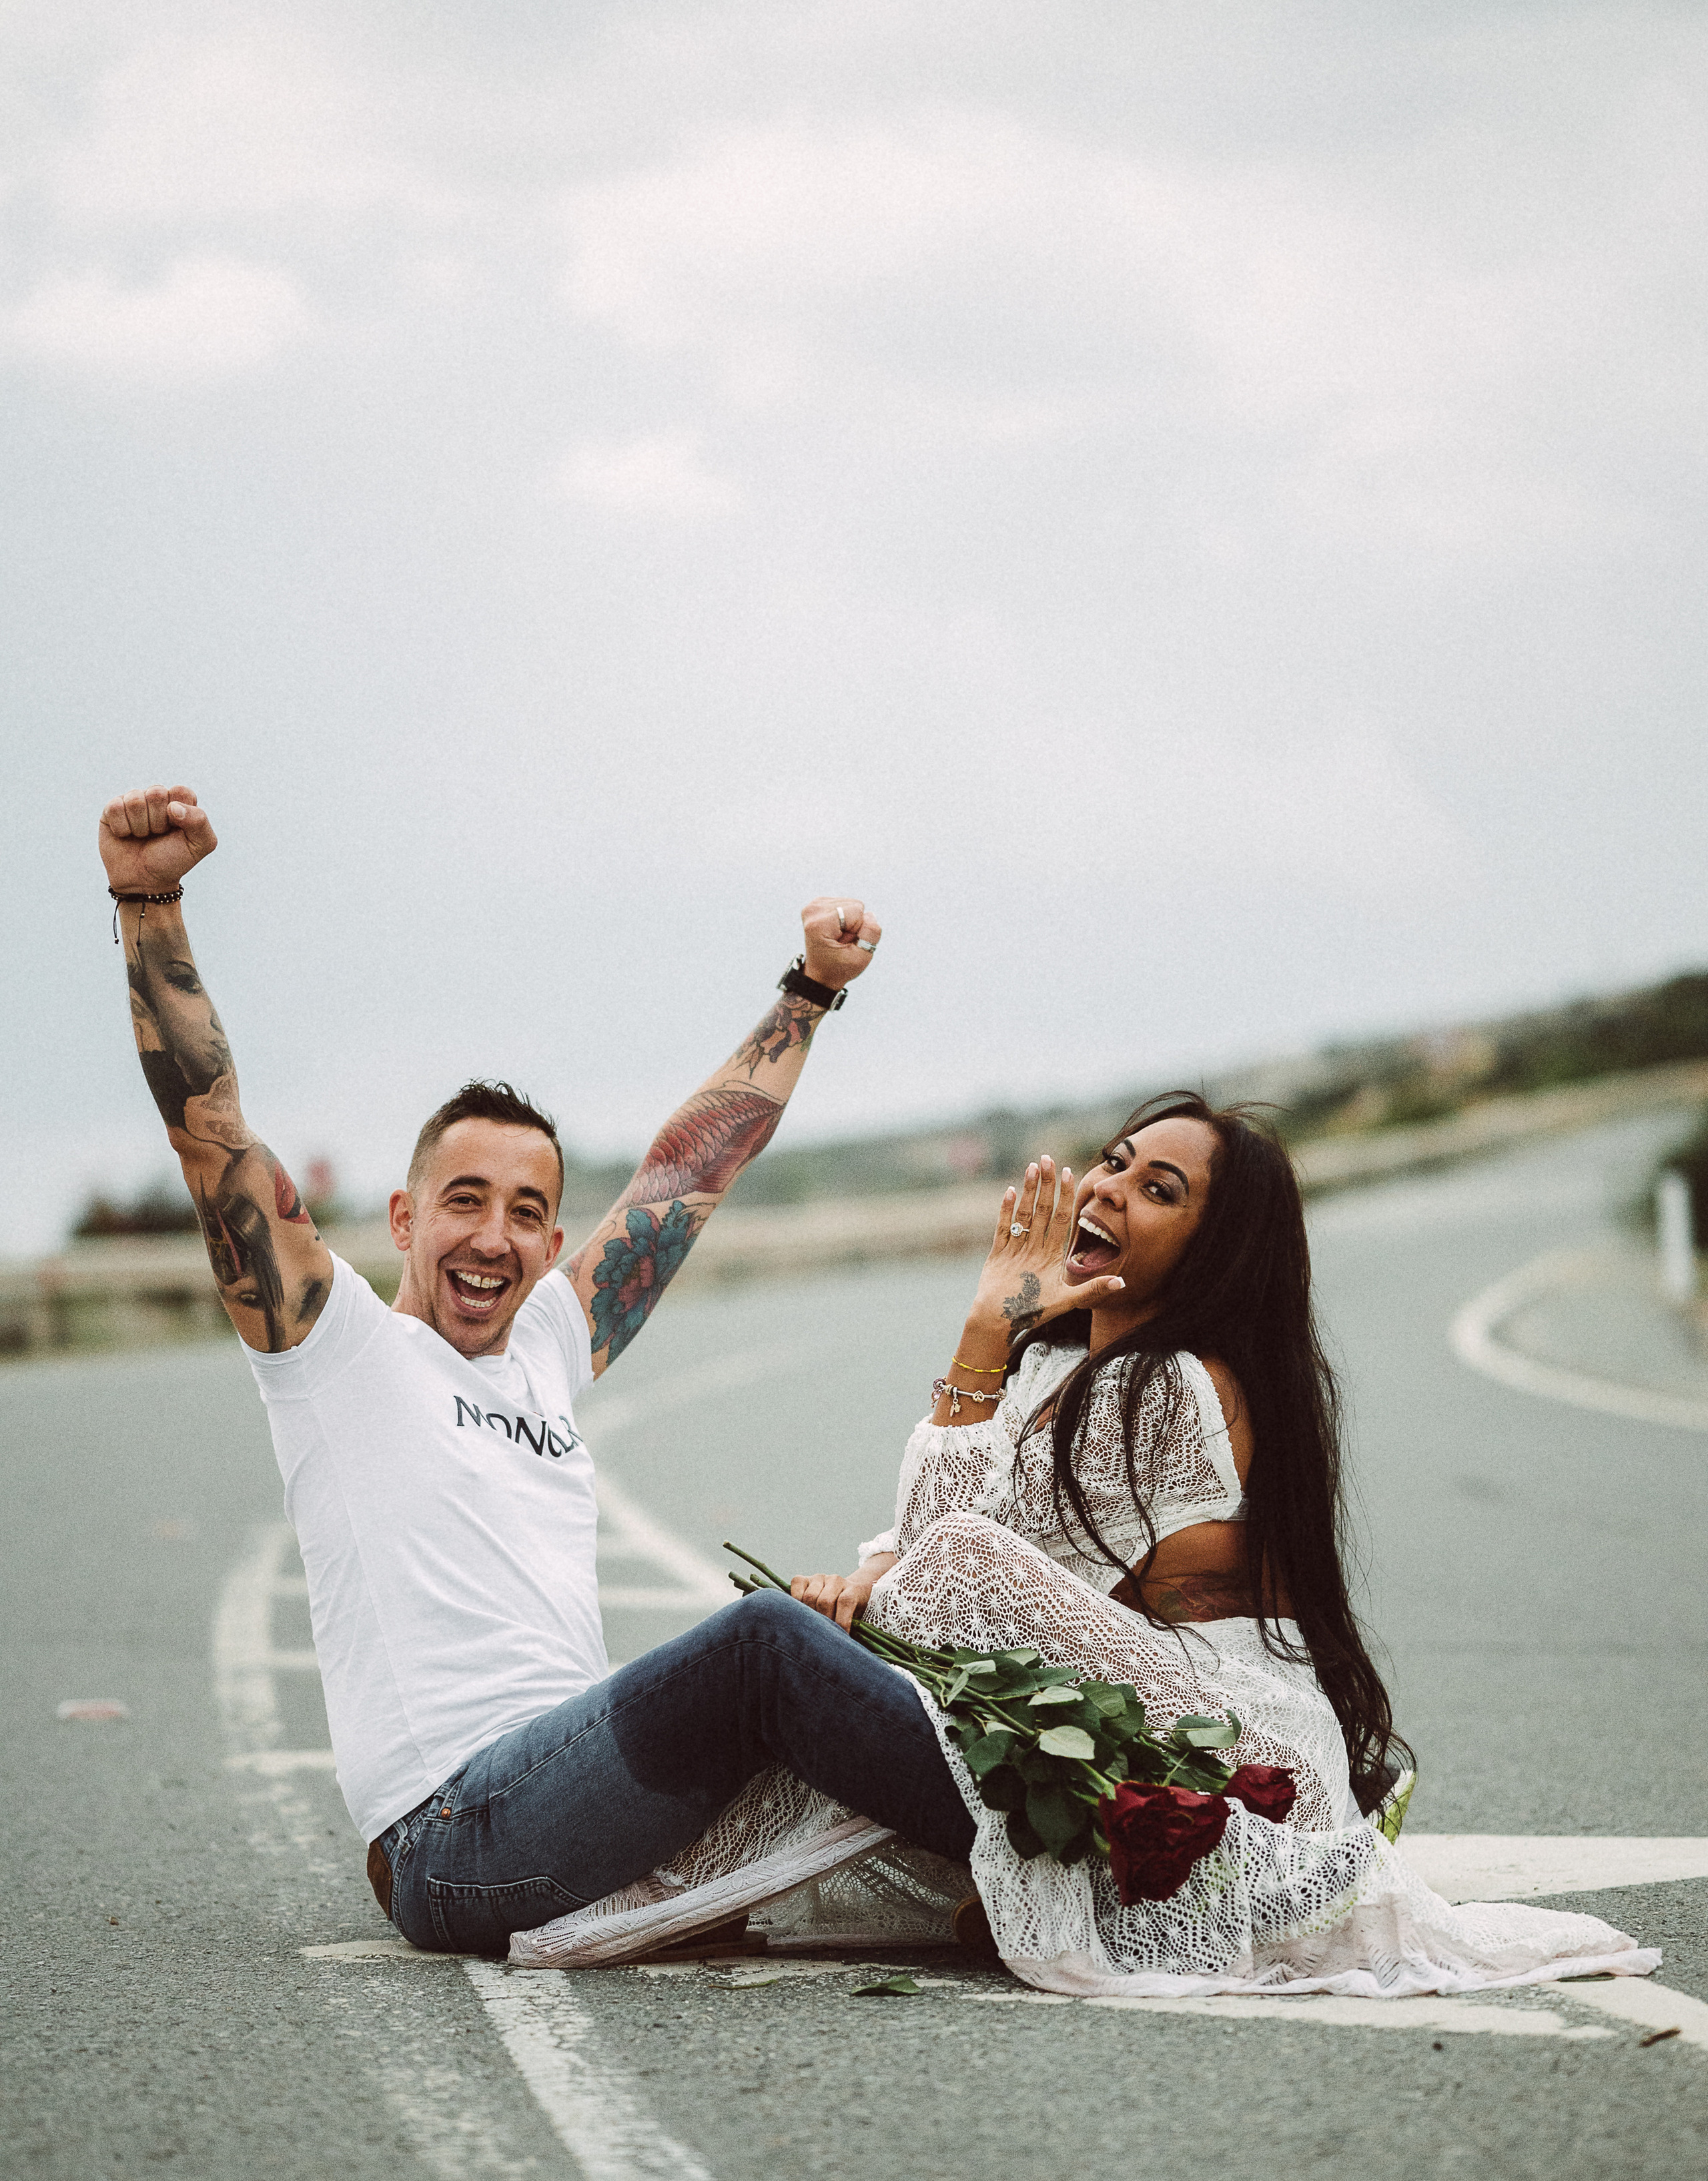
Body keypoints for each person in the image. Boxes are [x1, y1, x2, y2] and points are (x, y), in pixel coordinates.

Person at [513, 1097, 1656, 1999]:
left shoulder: (1166, 1386)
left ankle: (617, 1875)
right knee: (885, 1629)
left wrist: (975, 1343)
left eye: (1160, 1189)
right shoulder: (1068, 1377)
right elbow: (928, 1564)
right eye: (1114, 1161)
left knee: (925, 1590)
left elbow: (952, 1577)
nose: (1107, 1187)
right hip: (1149, 1741)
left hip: (1229, 1754)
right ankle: (645, 1875)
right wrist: (886, 1569)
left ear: (1214, 1251)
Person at [100, 783, 975, 1954]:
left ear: (553, 1247)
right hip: (454, 1833)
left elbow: (687, 1174)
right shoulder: (339, 1352)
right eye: (465, 1201)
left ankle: (1054, 1832)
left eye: (527, 1213)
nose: (494, 1237)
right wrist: (148, 898)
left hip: (569, 1790)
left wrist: (809, 992)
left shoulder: (547, 1347)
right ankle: (1067, 1848)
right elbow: (212, 1134)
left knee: (869, 1630)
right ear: (404, 1218)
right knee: (766, 1644)